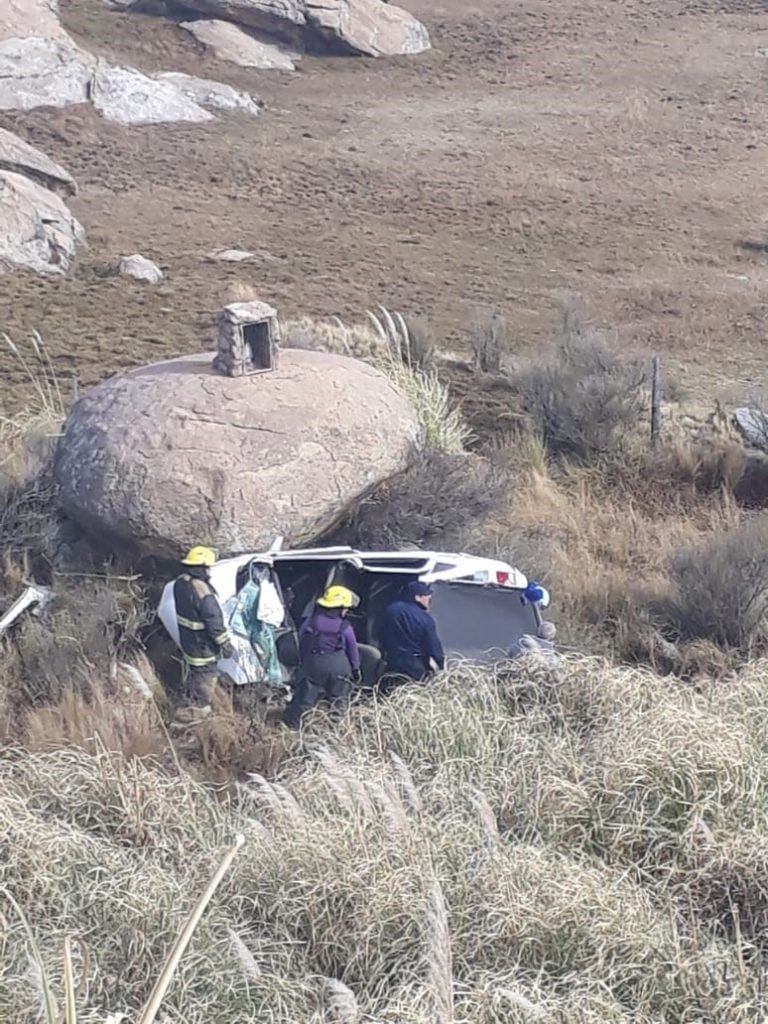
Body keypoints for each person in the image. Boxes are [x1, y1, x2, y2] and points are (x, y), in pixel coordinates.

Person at [282, 585, 361, 729]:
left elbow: (302, 644)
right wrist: (355, 669)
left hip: (314, 663)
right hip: (339, 665)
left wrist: (305, 662)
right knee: (339, 702)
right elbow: (352, 650)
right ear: (340, 607)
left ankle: (292, 728)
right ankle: (337, 731)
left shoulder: (310, 622)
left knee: (304, 700)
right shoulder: (345, 627)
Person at [173, 546, 233, 722]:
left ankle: (189, 702)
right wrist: (225, 644)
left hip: (189, 641)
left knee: (194, 673)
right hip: (203, 644)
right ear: (202, 567)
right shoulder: (202, 590)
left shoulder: (180, 583)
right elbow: (213, 619)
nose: (209, 571)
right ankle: (198, 714)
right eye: (207, 567)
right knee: (206, 677)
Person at [379, 580, 445, 688]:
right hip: (415, 666)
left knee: (389, 692)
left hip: (392, 662)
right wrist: (441, 666)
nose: (429, 600)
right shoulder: (425, 619)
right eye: (427, 596)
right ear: (417, 597)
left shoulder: (391, 610)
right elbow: (433, 647)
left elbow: (381, 635)